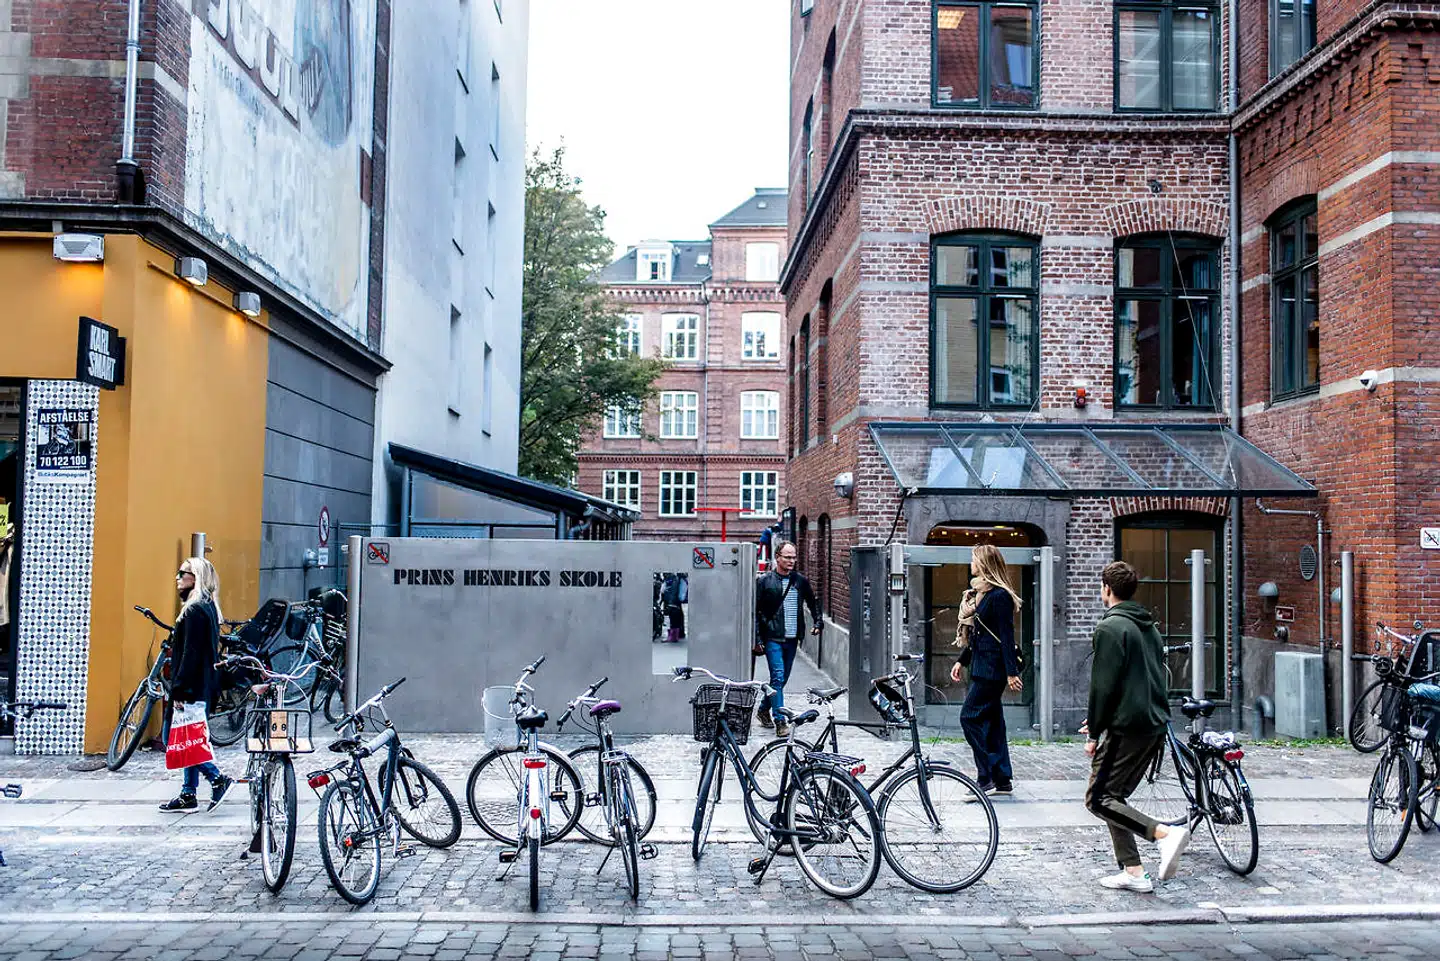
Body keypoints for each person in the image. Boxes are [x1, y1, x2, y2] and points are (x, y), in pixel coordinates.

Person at [1082, 560, 1189, 891]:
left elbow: (1103, 686)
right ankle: (1133, 871)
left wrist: (1095, 732)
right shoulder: (1149, 627)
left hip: (1127, 726)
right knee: (1114, 798)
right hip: (1154, 724)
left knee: (1098, 799)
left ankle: (1163, 834)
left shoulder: (1110, 628)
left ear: (1106, 589)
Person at [159, 557, 234, 813]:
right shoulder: (206, 606)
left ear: (196, 578)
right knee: (188, 737)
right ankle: (188, 793)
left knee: (174, 737)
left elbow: (190, 654)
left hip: (192, 686)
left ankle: (217, 778)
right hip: (200, 684)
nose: (178, 577)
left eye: (183, 573)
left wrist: (180, 689)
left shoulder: (194, 611)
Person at [950, 544, 1023, 797]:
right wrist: (962, 660)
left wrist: (1011, 673)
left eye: (974, 559)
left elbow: (1005, 636)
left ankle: (985, 778)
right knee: (993, 723)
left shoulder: (999, 596)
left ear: (984, 563)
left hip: (992, 671)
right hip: (982, 665)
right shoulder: (981, 593)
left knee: (968, 717)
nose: (971, 563)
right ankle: (1002, 779)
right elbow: (979, 634)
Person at [753, 539, 820, 737]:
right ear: (777, 557)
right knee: (778, 676)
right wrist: (757, 638)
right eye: (787, 557)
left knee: (781, 680)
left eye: (794, 557)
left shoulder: (800, 581)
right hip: (772, 637)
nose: (791, 561)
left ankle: (763, 709)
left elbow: (812, 603)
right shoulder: (765, 581)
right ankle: (780, 720)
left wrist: (818, 622)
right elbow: (755, 611)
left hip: (792, 638)